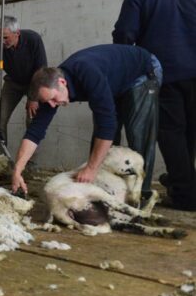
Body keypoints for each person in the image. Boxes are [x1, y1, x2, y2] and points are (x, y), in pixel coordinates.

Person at [10, 45, 162, 199]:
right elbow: (35, 132)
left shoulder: (87, 73)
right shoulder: (51, 91)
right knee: (103, 138)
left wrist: (91, 167)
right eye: (47, 101)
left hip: (142, 72)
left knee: (138, 133)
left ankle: (141, 195)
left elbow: (107, 126)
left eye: (53, 99)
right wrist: (17, 170)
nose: (52, 105)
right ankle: (108, 192)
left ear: (62, 82)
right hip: (114, 81)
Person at [112, 0, 196, 210]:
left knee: (171, 133)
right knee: (191, 132)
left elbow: (124, 36)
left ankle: (184, 195)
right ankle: (185, 184)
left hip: (166, 73)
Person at [0, 16, 47, 156]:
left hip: (34, 81)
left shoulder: (33, 39)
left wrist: (33, 98)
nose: (2, 42)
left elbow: (42, 70)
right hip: (13, 82)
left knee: (33, 118)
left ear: (17, 33)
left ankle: (30, 164)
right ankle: (0, 160)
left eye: (6, 38)